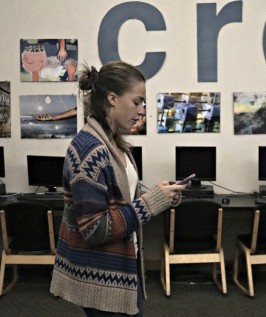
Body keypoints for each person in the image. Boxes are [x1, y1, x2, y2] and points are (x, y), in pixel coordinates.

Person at [50, 61, 185, 316]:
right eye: (137, 101)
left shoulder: (114, 144)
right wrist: (150, 203)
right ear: (112, 99)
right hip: (101, 279)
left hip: (121, 271)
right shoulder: (89, 149)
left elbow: (117, 203)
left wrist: (159, 196)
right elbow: (94, 229)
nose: (142, 110)